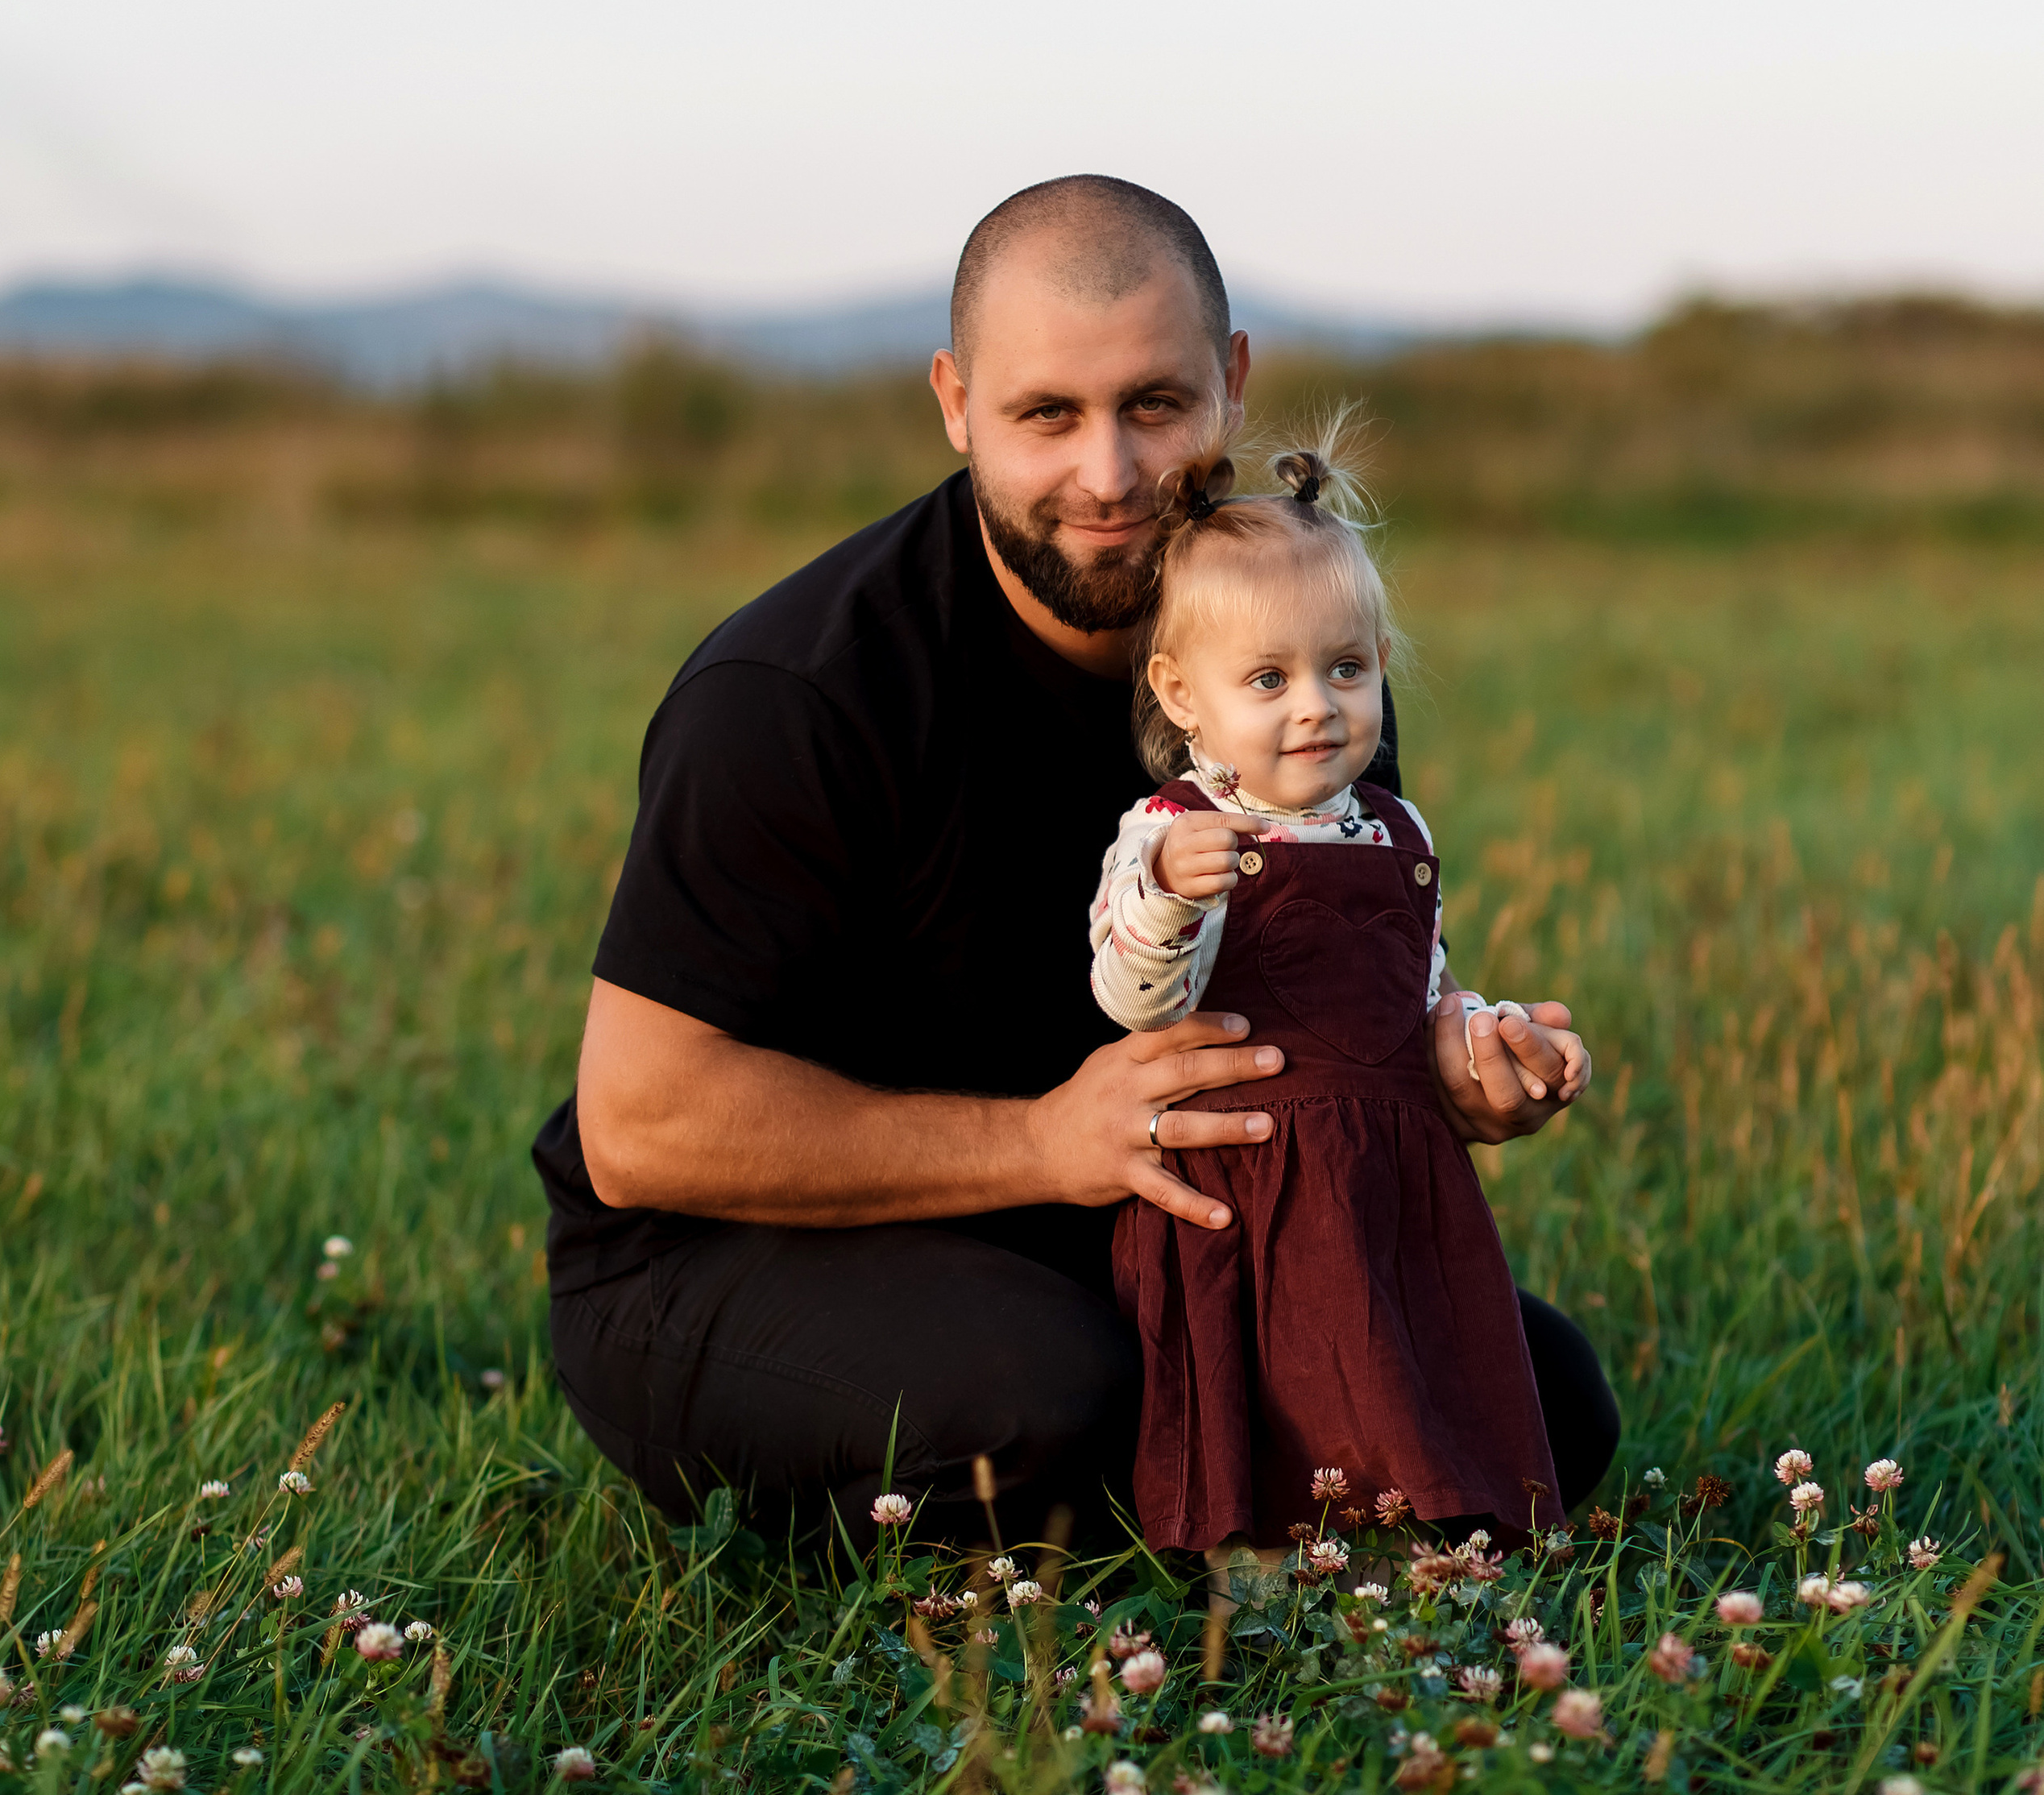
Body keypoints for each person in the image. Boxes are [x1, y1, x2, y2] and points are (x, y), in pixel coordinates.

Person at [533, 177, 1618, 1552]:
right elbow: (643, 1129)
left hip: (1114, 1210)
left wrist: (1451, 1058)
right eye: (1046, 414)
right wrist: (1043, 1140)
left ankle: (1191, 1508)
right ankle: (1092, 1523)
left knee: (1547, 1404)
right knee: (1054, 1401)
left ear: (1231, 386)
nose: (1106, 475)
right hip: (727, 1249)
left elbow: (1330, 986)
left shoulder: (1290, 669)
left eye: (1153, 406)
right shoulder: (796, 692)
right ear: (955, 403)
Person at [1090, 433, 1587, 1556]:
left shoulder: (1393, 826)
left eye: (1346, 670)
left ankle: (1425, 1574)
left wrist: (1482, 1034)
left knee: (1402, 1367)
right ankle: (1263, 1591)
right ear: (1183, 695)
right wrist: (1168, 894)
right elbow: (1129, 995)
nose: (1315, 706)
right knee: (1273, 1384)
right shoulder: (1175, 830)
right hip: (1249, 1168)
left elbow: (1417, 991)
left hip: (1386, 1175)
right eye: (1268, 680)